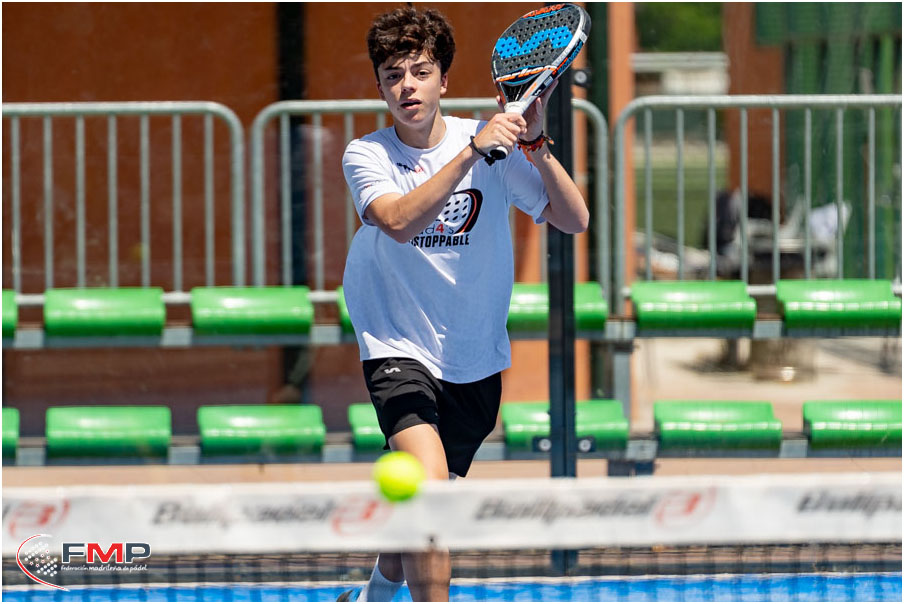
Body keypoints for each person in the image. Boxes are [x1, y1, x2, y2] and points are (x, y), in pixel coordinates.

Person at [337, 6, 588, 602]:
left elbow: (573, 219)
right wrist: (473, 152)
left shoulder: (492, 144)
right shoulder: (366, 155)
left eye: (420, 72)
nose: (407, 86)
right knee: (429, 505)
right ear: (380, 87)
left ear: (443, 80)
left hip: (473, 355)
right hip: (397, 344)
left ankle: (371, 598)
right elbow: (398, 221)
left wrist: (535, 144)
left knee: (420, 513)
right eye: (393, 76)